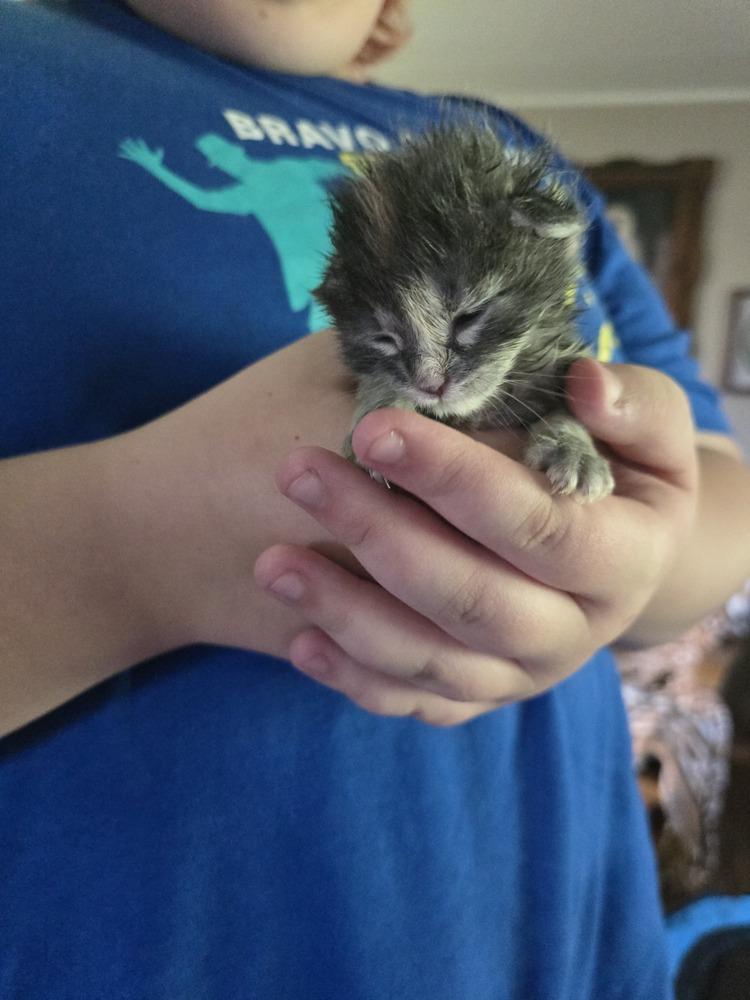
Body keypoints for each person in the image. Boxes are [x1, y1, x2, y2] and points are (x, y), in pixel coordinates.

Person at [1, 1, 749, 997]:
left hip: (552, 937)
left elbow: (716, 487)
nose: (439, 377)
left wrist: (641, 555)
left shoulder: (526, 162)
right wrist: (125, 539)